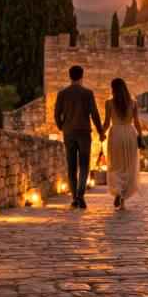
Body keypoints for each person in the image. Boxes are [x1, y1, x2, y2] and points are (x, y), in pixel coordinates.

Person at [54, 65, 103, 209]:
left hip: (68, 133)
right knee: (84, 164)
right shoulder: (88, 93)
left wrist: (61, 126)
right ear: (82, 76)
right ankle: (80, 193)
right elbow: (94, 113)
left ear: (70, 76)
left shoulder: (62, 94)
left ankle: (74, 198)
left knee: (71, 166)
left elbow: (57, 114)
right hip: (84, 133)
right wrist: (100, 131)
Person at [101, 78, 143, 209]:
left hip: (115, 134)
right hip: (130, 133)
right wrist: (141, 138)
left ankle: (118, 191)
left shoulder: (109, 103)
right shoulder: (134, 103)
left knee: (115, 165)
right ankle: (123, 202)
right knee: (128, 166)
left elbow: (107, 122)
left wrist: (102, 134)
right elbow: (136, 123)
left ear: (112, 89)